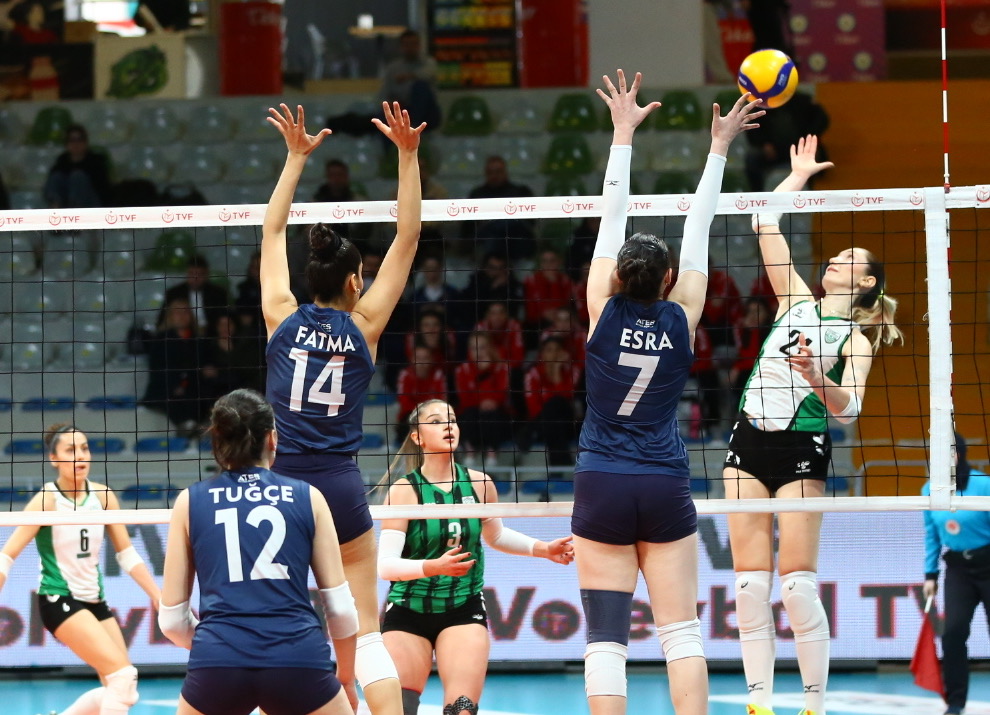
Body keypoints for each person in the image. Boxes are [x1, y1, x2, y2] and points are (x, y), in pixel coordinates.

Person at [571, 69, 761, 715]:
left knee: (605, 640)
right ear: (670, 277)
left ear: (617, 275)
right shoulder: (684, 315)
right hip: (661, 478)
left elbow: (612, 213)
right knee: (681, 634)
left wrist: (622, 134)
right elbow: (700, 226)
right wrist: (719, 147)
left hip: (601, 477)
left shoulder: (600, 310)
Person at [723, 135, 902, 715]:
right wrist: (796, 177)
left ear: (867, 282)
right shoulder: (795, 300)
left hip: (804, 448)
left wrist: (815, 376)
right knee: (749, 586)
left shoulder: (856, 338)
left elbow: (850, 410)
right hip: (748, 441)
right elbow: (763, 222)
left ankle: (813, 704)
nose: (834, 262)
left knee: (797, 584)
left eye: (848, 260)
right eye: (834, 256)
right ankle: (758, 703)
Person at [260, 101, 424, 715]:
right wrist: (407, 156)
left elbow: (272, 232)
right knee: (366, 629)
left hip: (282, 485)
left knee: (278, 624)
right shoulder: (365, 326)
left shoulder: (279, 315)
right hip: (340, 484)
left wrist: (295, 159)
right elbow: (408, 236)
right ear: (356, 281)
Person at [159, 389, 358, 715]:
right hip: (298, 659)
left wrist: (222, 644)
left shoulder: (189, 502)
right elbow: (341, 610)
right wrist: (346, 678)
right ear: (272, 438)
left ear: (217, 440)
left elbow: (171, 622)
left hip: (219, 663)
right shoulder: (308, 497)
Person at [378, 399, 574, 715]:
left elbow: (495, 535)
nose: (448, 426)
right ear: (417, 437)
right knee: (398, 709)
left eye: (452, 419)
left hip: (463, 607)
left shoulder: (480, 483)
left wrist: (543, 549)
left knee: (462, 709)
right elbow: (386, 566)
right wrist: (434, 567)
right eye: (436, 421)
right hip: (408, 609)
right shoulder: (404, 490)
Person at [0, 424, 161, 715]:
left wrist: (158, 596)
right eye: (71, 450)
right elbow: (6, 556)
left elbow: (127, 554)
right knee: (122, 676)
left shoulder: (103, 496)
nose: (80, 456)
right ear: (54, 459)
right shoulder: (47, 500)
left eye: (84, 448)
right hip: (58, 599)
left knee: (122, 688)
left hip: (95, 601)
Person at [923, 433, 990, 715]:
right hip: (958, 569)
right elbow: (931, 535)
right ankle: (955, 702)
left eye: (947, 453)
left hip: (988, 562)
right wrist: (930, 574)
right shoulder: (929, 490)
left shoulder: (984, 484)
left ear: (958, 454)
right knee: (952, 633)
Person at [141, 297, 206, 436]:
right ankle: (187, 425)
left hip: (194, 386)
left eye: (185, 312)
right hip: (166, 388)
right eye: (177, 312)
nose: (182, 316)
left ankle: (196, 425)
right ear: (170, 316)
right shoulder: (160, 341)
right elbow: (157, 370)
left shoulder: (200, 340)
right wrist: (176, 385)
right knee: (174, 397)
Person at [744, 90, 829, 192]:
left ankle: (810, 194)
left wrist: (809, 139)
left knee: (814, 158)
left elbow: (822, 119)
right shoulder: (763, 103)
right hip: (773, 150)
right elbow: (752, 127)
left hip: (800, 148)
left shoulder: (802, 100)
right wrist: (764, 143)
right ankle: (757, 196)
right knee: (752, 158)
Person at [454, 331, 513, 465]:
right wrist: (484, 400)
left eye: (482, 347)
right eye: (474, 348)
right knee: (469, 413)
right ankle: (469, 452)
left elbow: (501, 396)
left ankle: (492, 454)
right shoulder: (461, 370)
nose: (478, 352)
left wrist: (487, 371)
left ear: (490, 348)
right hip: (471, 415)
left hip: (497, 414)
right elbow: (465, 399)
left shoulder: (502, 368)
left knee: (491, 414)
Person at [466, 156, 535, 260]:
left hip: (516, 235)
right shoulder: (477, 195)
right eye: (490, 172)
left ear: (505, 172)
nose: (494, 175)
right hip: (487, 236)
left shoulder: (520, 192)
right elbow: (469, 226)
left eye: (498, 172)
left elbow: (530, 221)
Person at [43, 123, 112, 209]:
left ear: (86, 143)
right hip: (66, 203)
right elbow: (52, 185)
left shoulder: (95, 161)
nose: (76, 144)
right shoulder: (62, 161)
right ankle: (55, 210)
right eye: (72, 140)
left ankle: (75, 211)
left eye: (79, 140)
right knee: (56, 177)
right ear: (66, 144)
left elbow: (103, 190)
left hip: (91, 205)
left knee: (77, 177)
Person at [160, 254, 231, 336]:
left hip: (212, 336)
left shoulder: (218, 293)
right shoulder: (174, 293)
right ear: (186, 273)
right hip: (183, 336)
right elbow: (163, 320)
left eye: (200, 274)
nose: (195, 278)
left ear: (206, 275)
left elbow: (224, 319)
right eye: (192, 274)